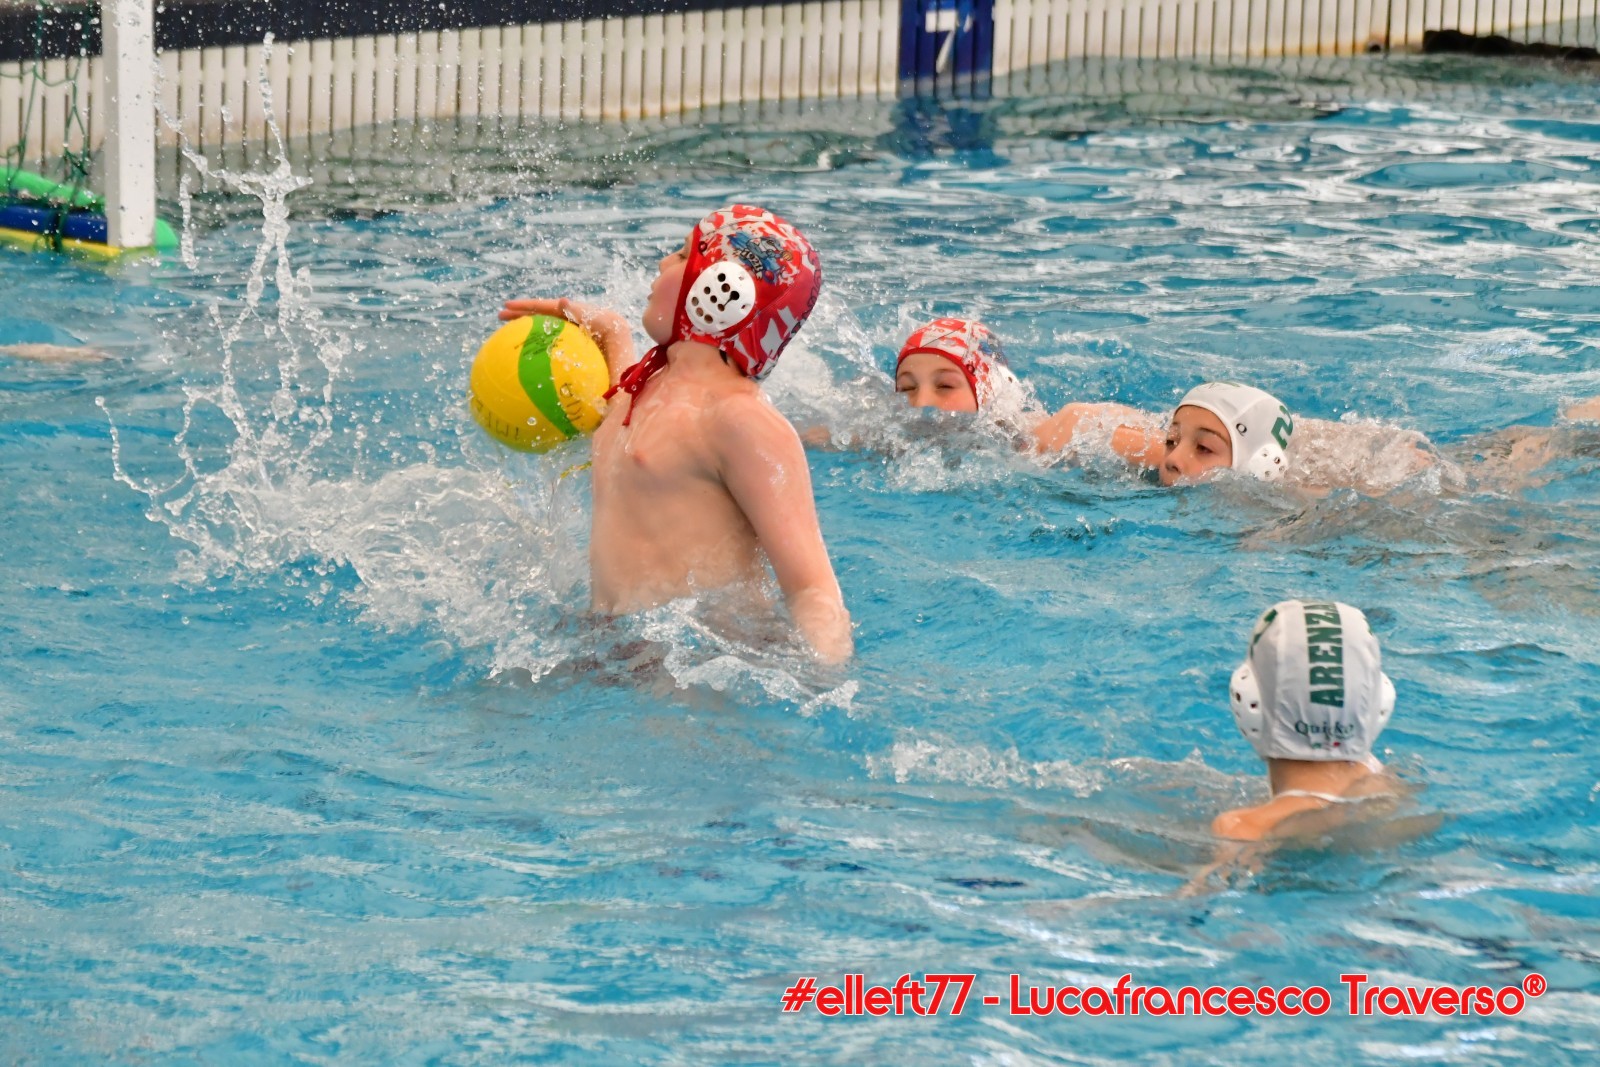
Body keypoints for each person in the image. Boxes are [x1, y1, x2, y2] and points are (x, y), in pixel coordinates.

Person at [499, 205, 853, 663]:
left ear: (723, 288)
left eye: (683, 254)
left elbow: (810, 586)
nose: (663, 261)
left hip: (702, 660)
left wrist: (822, 680)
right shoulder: (644, 387)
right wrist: (611, 331)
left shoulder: (741, 422)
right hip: (616, 648)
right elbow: (621, 414)